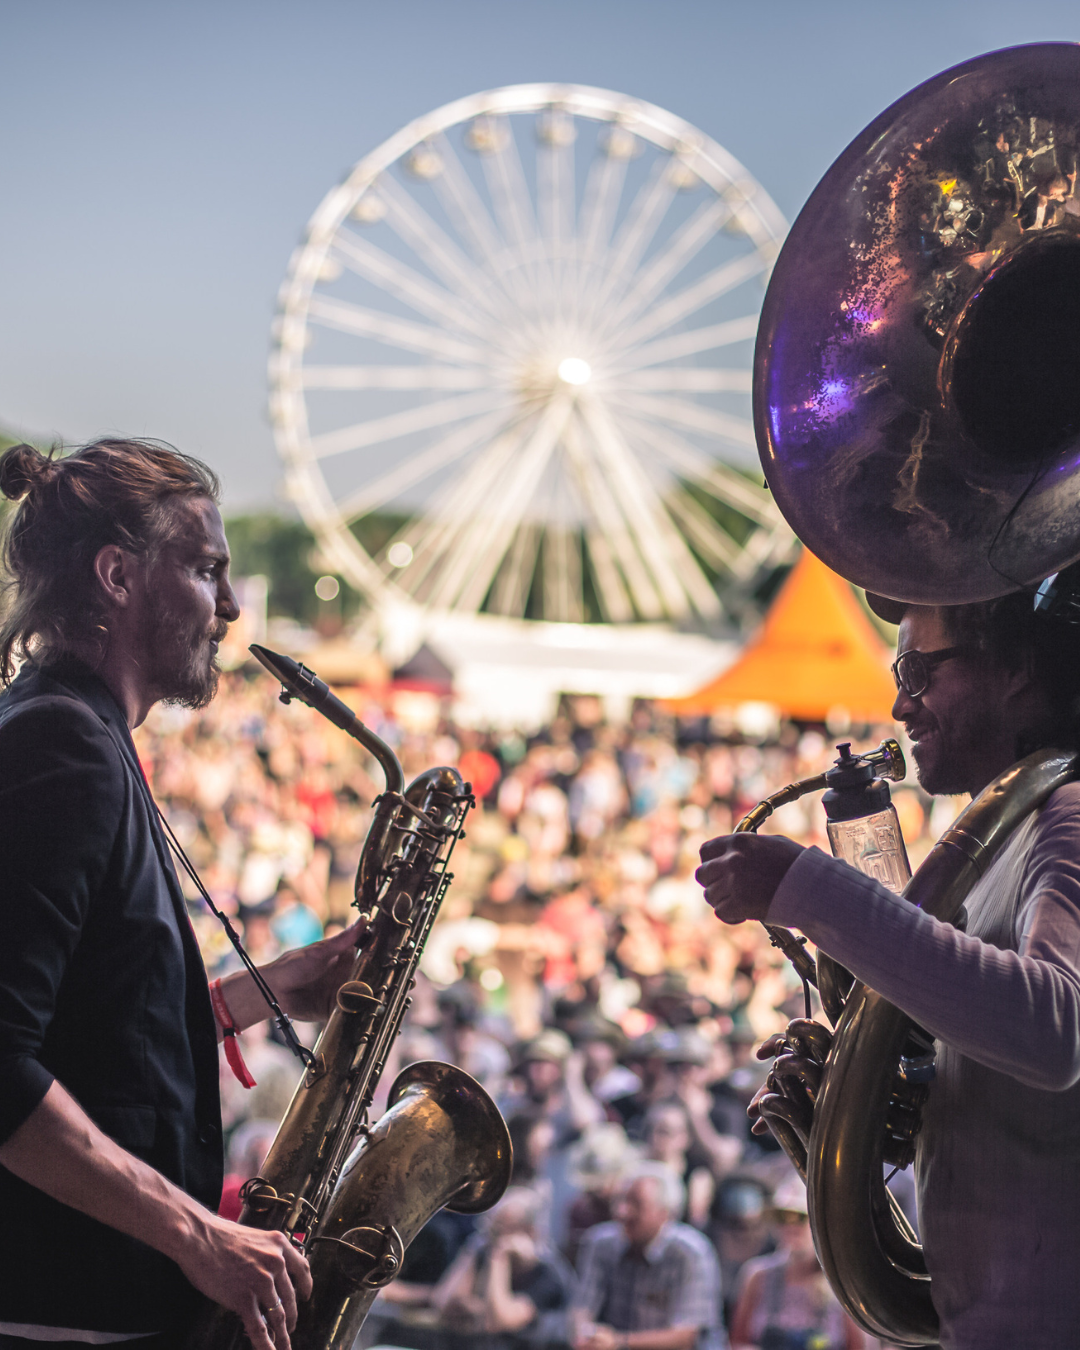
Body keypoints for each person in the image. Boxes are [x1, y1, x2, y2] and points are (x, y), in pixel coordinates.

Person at [0, 440, 363, 1350]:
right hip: (62, 1314)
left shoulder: (77, 734)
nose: (232, 607)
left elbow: (95, 1030)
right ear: (117, 576)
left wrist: (268, 989)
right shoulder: (61, 749)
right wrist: (200, 1237)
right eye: (207, 571)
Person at [697, 589, 1080, 1349]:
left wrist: (804, 888)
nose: (901, 706)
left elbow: (1053, 1030)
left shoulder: (1066, 812)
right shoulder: (1017, 830)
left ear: (1017, 670)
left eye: (917, 671)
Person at [571, 1161, 727, 1350]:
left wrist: (618, 1342)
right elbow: (581, 1309)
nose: (622, 1211)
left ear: (665, 1213)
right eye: (621, 1201)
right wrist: (586, 1336)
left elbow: (687, 1336)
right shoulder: (600, 1243)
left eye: (636, 1204)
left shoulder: (692, 1252)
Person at [728, 1176, 867, 1350]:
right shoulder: (758, 1276)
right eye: (783, 1217)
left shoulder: (843, 1285)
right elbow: (736, 1341)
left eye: (799, 1217)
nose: (790, 1226)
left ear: (821, 1223)